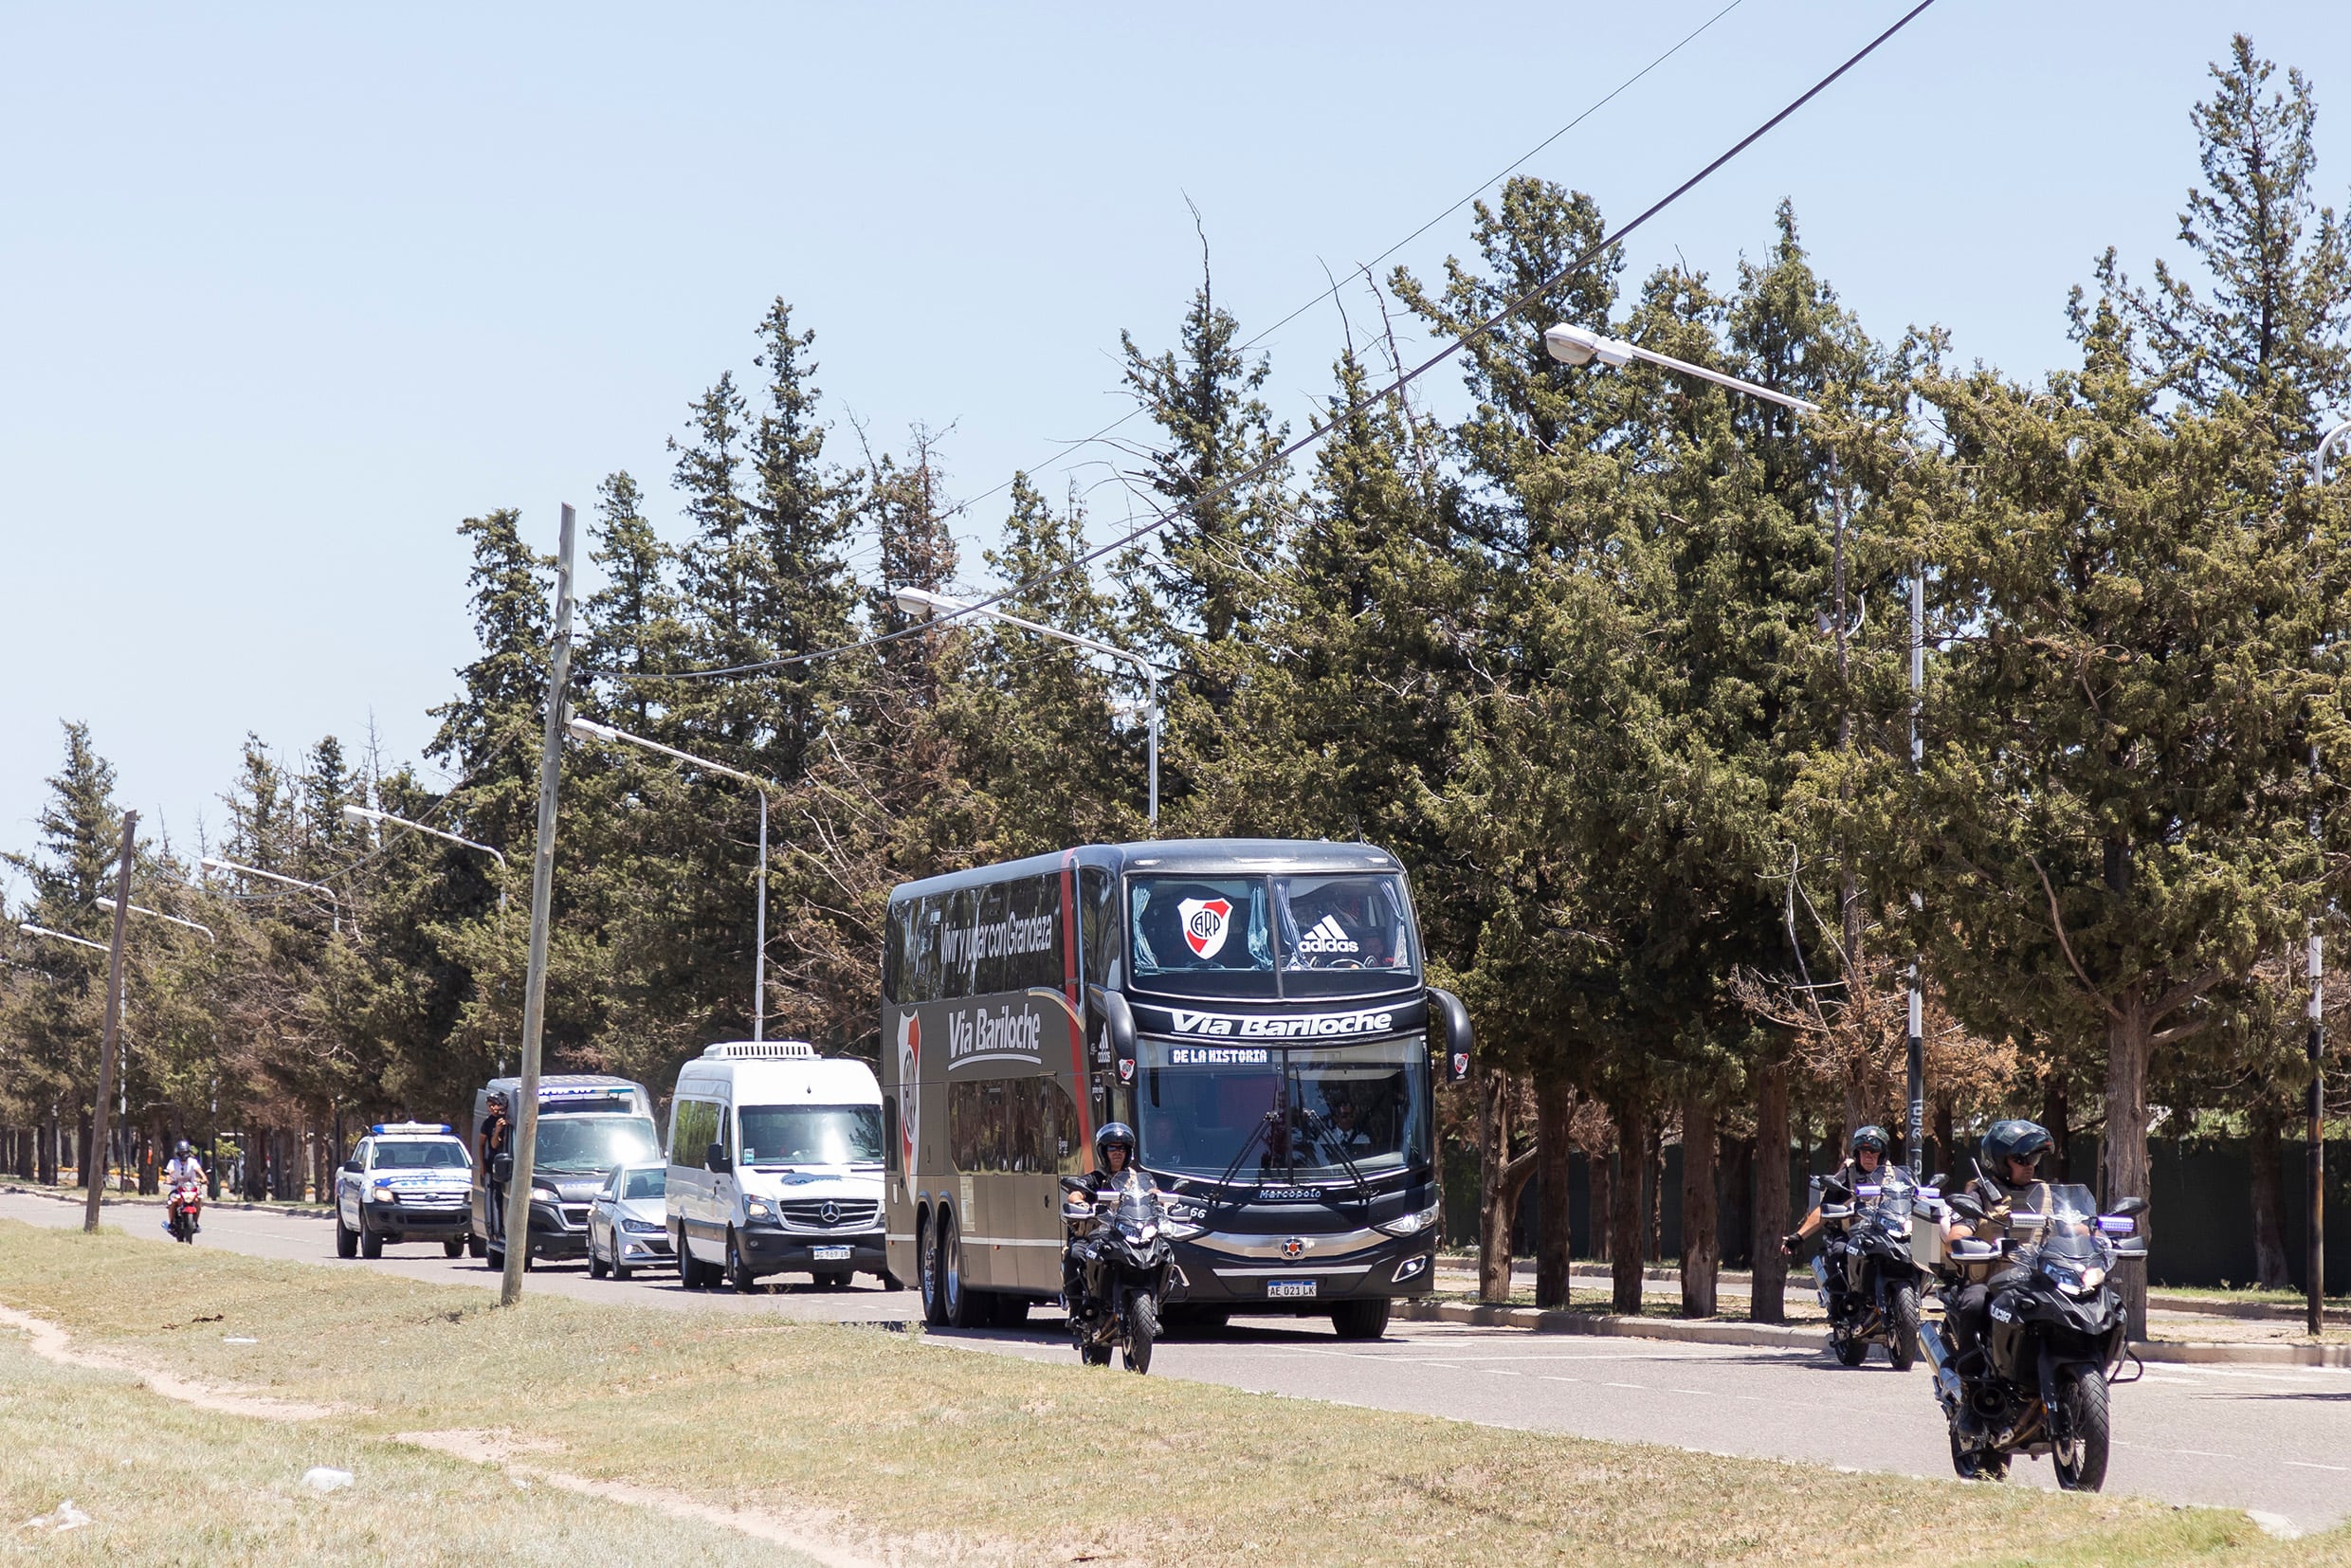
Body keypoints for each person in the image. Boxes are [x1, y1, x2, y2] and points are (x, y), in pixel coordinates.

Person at [1941, 1119, 2057, 1418]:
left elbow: (2075, 1228)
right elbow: (1958, 1233)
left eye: (2035, 1158)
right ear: (2000, 1161)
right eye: (2022, 1159)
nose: (2031, 1165)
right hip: (1991, 1281)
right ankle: (1970, 1390)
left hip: (2035, 1281)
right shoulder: (1979, 1194)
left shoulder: (2045, 1193)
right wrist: (1966, 1242)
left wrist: (2094, 1236)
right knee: (1974, 1303)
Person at [1062, 1122, 1150, 1310]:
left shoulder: (1137, 1179)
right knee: (1075, 1254)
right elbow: (1076, 1193)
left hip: (1131, 1234)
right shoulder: (1096, 1178)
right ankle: (1078, 1311)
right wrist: (1080, 1202)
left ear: (1128, 1152)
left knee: (1163, 1252)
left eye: (1122, 1148)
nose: (1117, 1152)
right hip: (1099, 1234)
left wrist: (1162, 1200)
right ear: (1104, 1151)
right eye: (1112, 1148)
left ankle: (1151, 1308)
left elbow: (1153, 1191)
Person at [1781, 1125, 1898, 1256]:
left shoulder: (1895, 1176)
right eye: (1863, 1151)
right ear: (1857, 1153)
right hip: (1851, 1235)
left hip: (1887, 1235)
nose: (1868, 1156)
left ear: (1882, 1154)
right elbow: (1823, 1210)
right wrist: (1798, 1237)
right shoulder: (1847, 1175)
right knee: (1840, 1252)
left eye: (1873, 1151)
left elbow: (1915, 1199)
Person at [479, 1093, 512, 1242]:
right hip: (495, 1165)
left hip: (510, 1164)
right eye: (489, 1105)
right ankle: (496, 1230)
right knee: (495, 1196)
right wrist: (482, 1165)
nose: (492, 1108)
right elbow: (488, 1145)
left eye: (494, 1104)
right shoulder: (488, 1123)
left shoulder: (510, 1120)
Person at [162, 1140, 207, 1233]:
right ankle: (171, 1224)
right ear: (178, 1153)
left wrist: (203, 1177)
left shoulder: (193, 1162)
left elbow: (199, 1170)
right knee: (172, 1202)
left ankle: (196, 1223)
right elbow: (169, 1171)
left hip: (191, 1189)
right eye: (181, 1152)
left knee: (198, 1201)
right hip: (177, 1189)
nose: (183, 1155)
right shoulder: (173, 1162)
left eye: (185, 1152)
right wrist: (168, 1179)